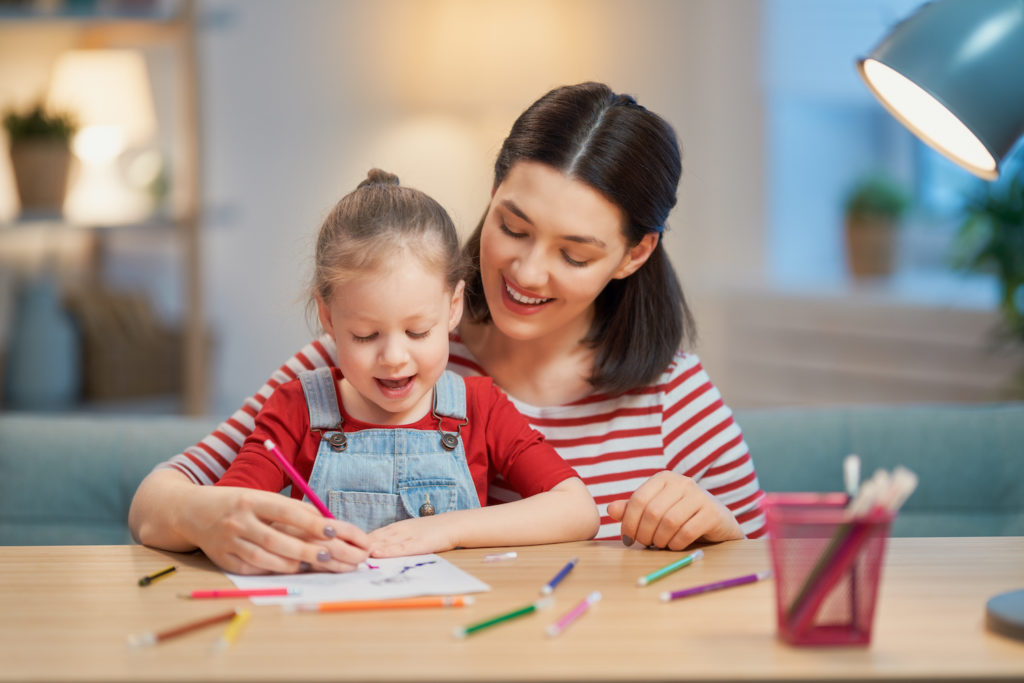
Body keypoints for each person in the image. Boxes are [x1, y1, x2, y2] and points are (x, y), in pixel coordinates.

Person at [129, 82, 766, 576]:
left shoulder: (673, 398)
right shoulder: (359, 361)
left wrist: (720, 529)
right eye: (512, 227)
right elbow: (159, 500)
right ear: (492, 193)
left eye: (574, 254)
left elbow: (759, 576)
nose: (527, 271)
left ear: (634, 254)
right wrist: (210, 517)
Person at [211, 169, 598, 566]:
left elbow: (578, 511)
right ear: (328, 317)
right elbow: (226, 513)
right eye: (365, 335)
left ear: (452, 307)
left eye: (417, 331)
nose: (394, 357)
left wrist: (447, 530)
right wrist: (283, 535)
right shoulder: (296, 411)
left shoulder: (480, 408)